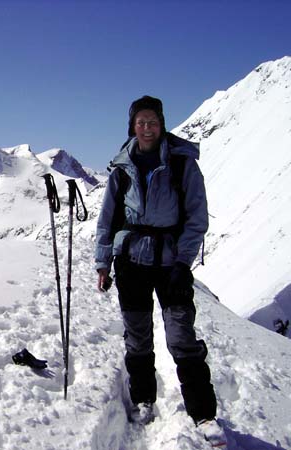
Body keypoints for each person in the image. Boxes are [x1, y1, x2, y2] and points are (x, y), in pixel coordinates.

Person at [94, 96, 227, 447]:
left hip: (171, 264)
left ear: (162, 123)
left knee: (181, 337)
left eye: (152, 121)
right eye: (141, 122)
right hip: (132, 261)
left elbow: (197, 218)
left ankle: (204, 414)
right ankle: (142, 399)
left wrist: (183, 263)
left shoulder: (183, 164)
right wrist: (102, 263)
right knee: (137, 335)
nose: (147, 127)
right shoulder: (122, 169)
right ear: (132, 126)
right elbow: (107, 221)